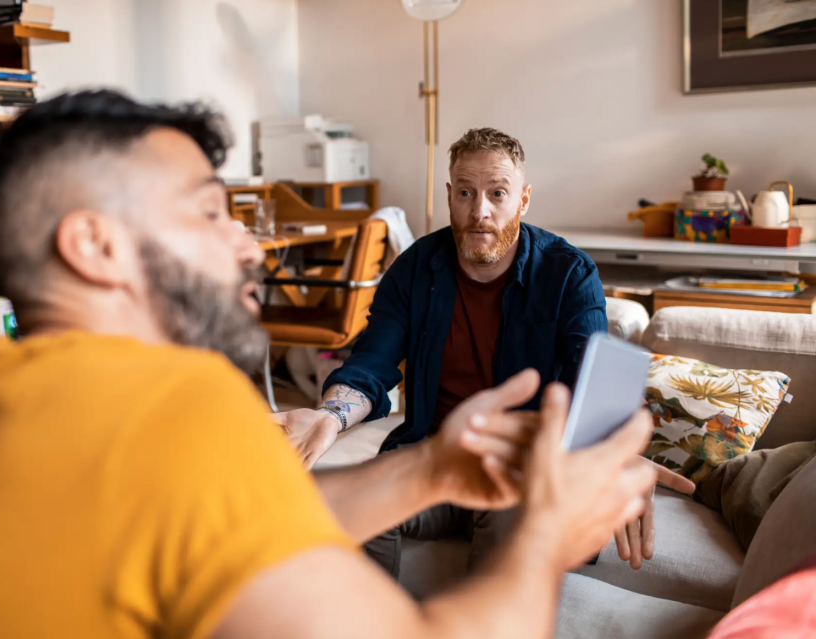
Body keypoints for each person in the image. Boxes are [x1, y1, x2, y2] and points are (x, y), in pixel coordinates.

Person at [0, 91, 657, 639]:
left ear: (522, 198)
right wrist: (547, 528)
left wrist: (433, 467)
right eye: (210, 212)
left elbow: (235, 529)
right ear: (95, 245)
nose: (246, 244)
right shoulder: (182, 412)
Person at [275, 128, 695, 575]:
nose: (480, 211)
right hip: (432, 455)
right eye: (465, 193)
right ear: (449, 195)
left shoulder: (569, 274)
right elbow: (371, 364)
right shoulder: (415, 268)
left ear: (524, 199)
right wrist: (332, 415)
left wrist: (607, 449)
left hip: (522, 464)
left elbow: (586, 386)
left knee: (514, 525)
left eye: (497, 193)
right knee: (354, 508)